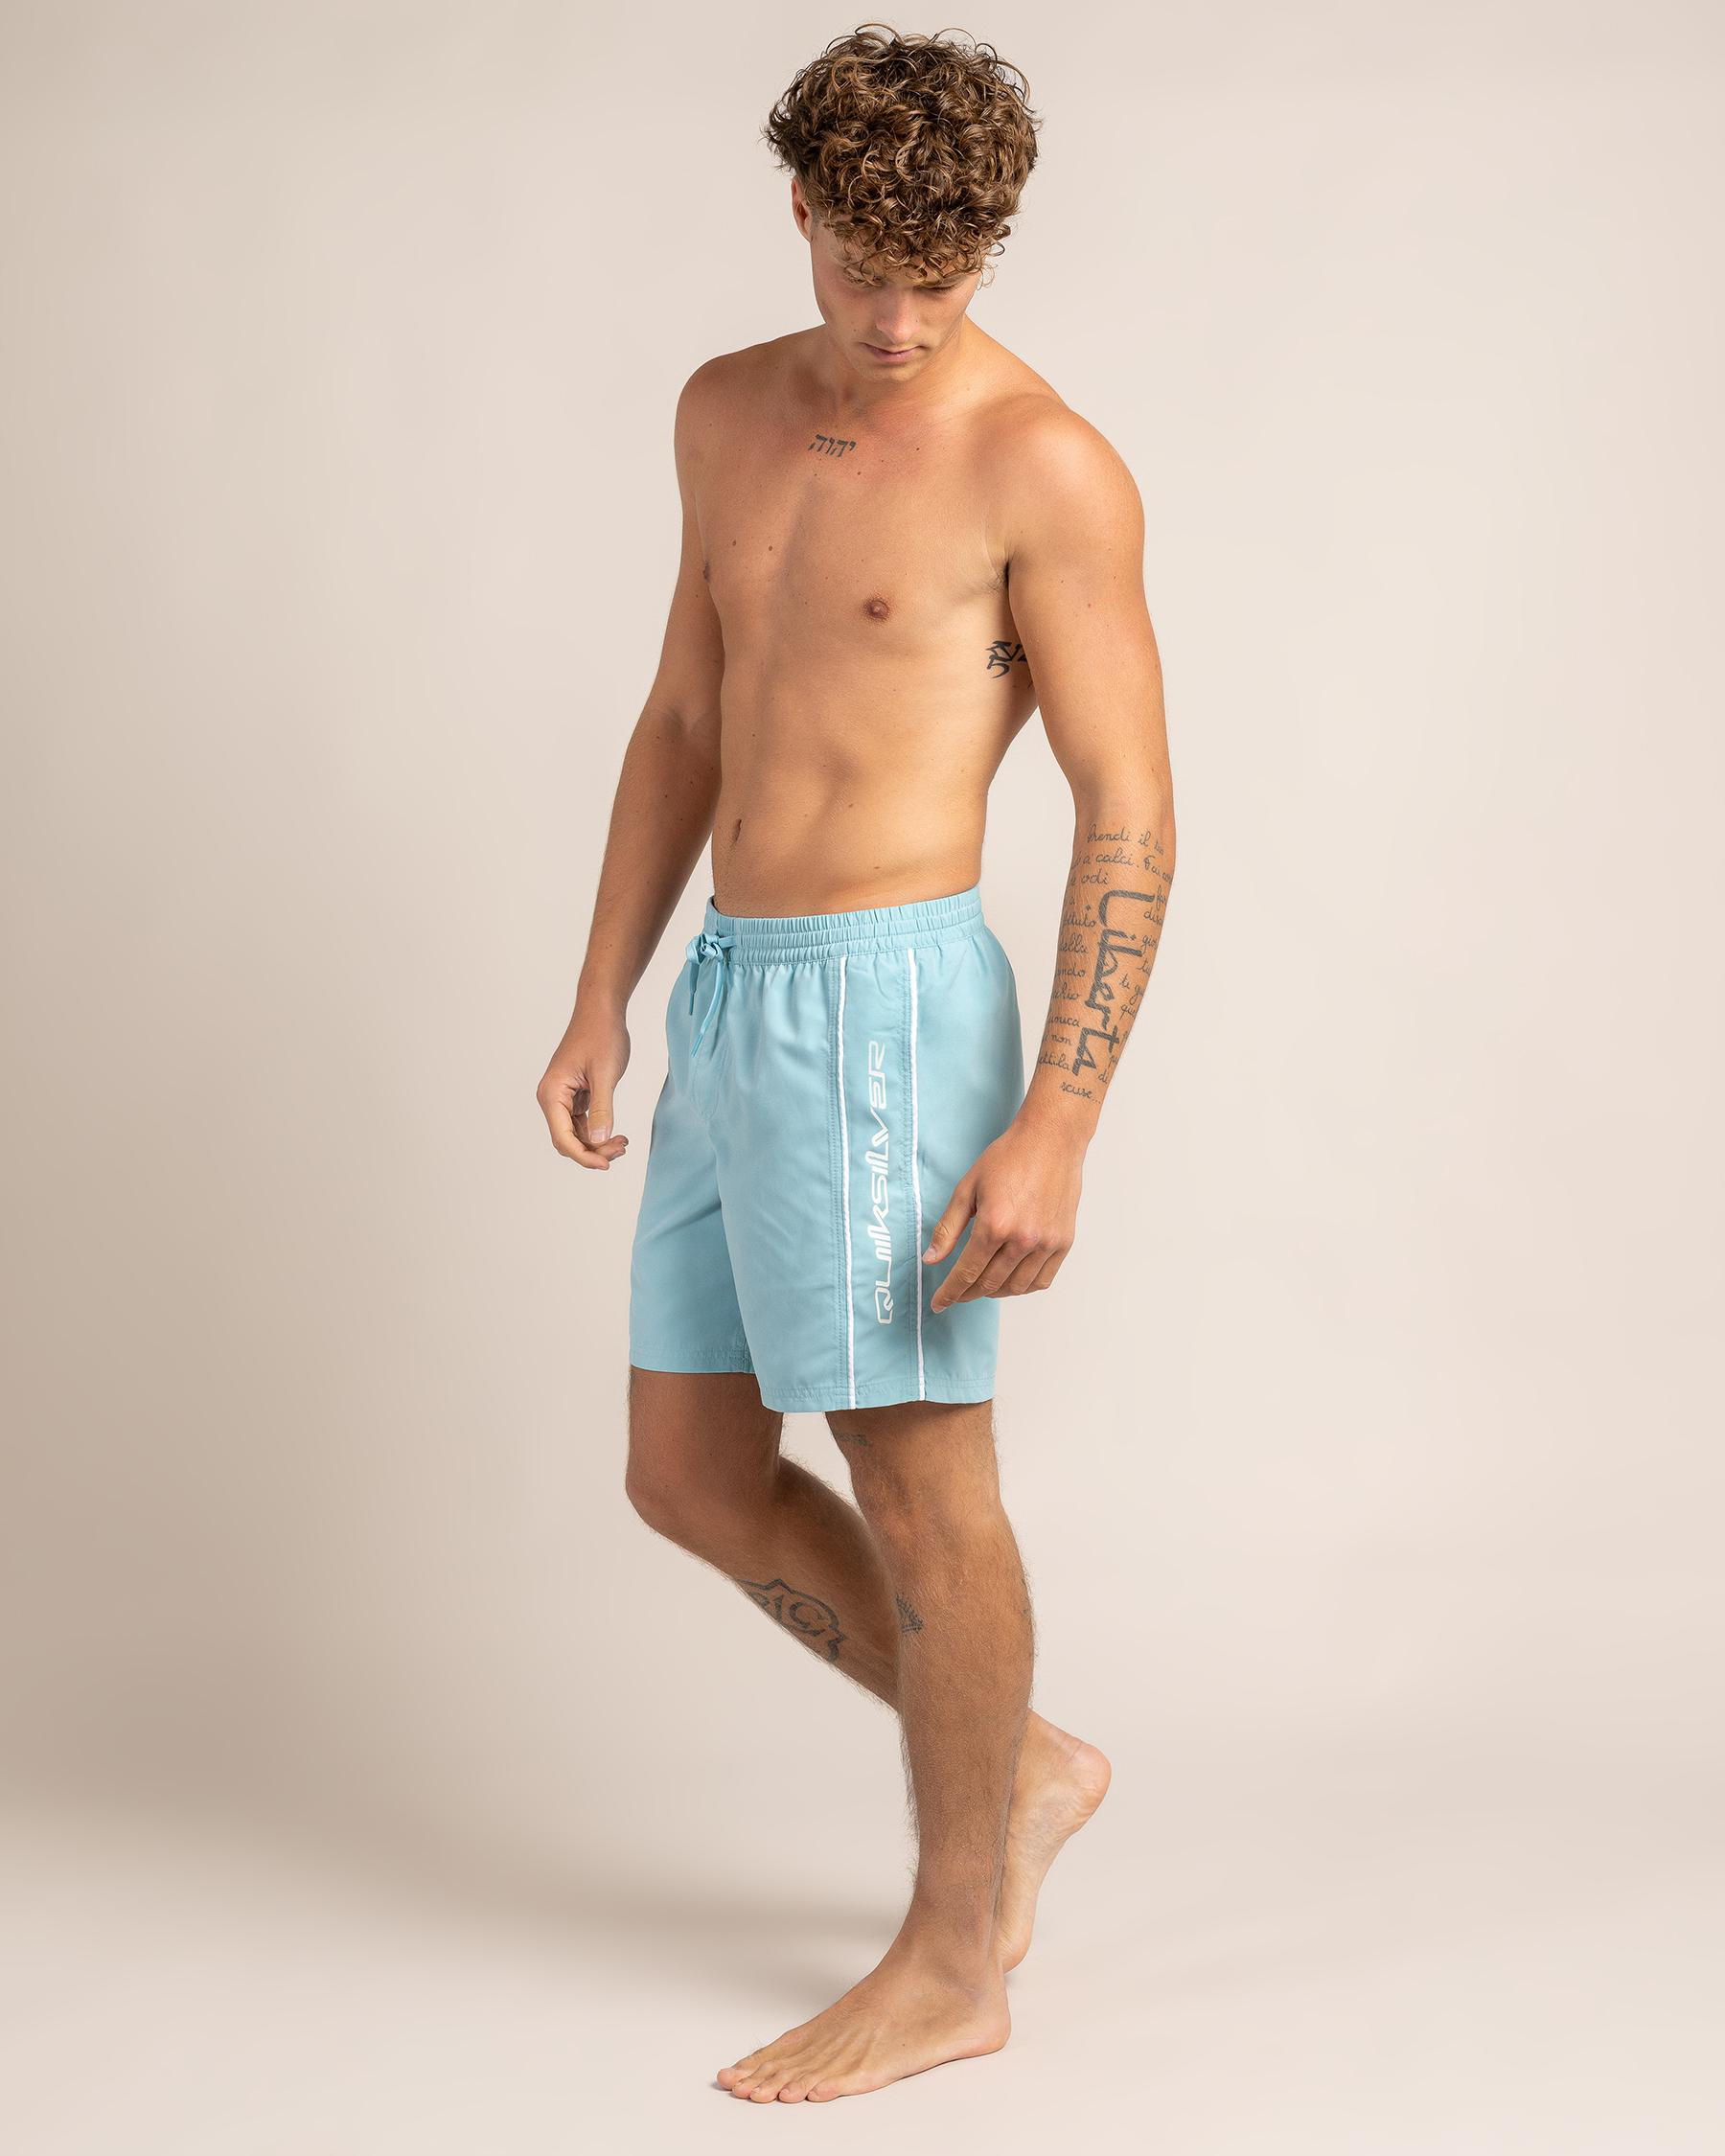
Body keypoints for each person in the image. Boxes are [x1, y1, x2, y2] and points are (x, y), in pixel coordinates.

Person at [537, 23, 1174, 2104]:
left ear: (994, 247)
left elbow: (1129, 808)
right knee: (689, 1475)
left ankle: (955, 1951)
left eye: (948, 275)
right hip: (733, 991)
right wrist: (605, 989)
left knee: (920, 1489)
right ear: (799, 211)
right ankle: (1026, 1763)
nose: (903, 322)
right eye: (865, 267)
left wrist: (1060, 1115)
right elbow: (685, 716)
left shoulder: (1042, 464)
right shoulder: (724, 411)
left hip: (897, 1008)